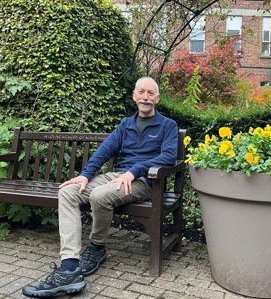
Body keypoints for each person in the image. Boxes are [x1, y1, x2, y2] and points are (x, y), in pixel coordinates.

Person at [22, 77, 178, 298]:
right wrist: (85, 175)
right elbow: (104, 151)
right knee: (68, 191)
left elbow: (169, 156)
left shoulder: (167, 126)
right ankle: (69, 266)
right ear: (134, 96)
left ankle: (97, 247)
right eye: (141, 92)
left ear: (157, 98)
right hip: (116, 176)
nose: (145, 97)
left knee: (100, 195)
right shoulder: (125, 124)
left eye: (150, 93)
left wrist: (135, 171)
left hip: (146, 181)